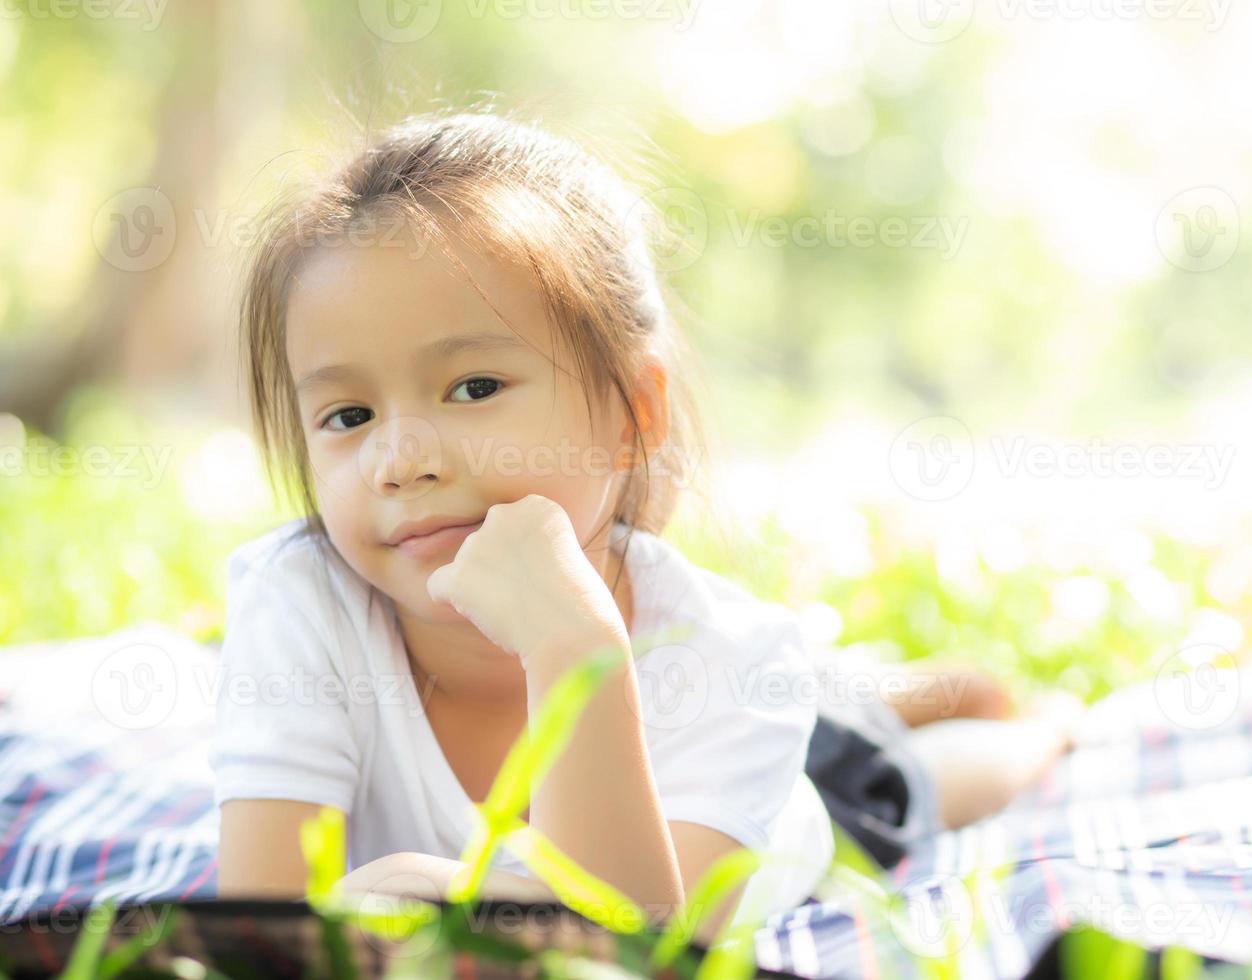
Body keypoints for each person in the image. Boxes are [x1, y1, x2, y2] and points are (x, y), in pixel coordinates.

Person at [208, 105, 1077, 942]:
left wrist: (574, 653)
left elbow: (640, 949)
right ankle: (870, 691)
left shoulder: (728, 664)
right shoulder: (298, 603)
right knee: (823, 707)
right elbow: (260, 937)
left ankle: (1031, 725)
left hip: (780, 798)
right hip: (735, 732)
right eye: (348, 415)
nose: (400, 461)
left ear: (633, 411)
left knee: (900, 783)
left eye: (473, 388)